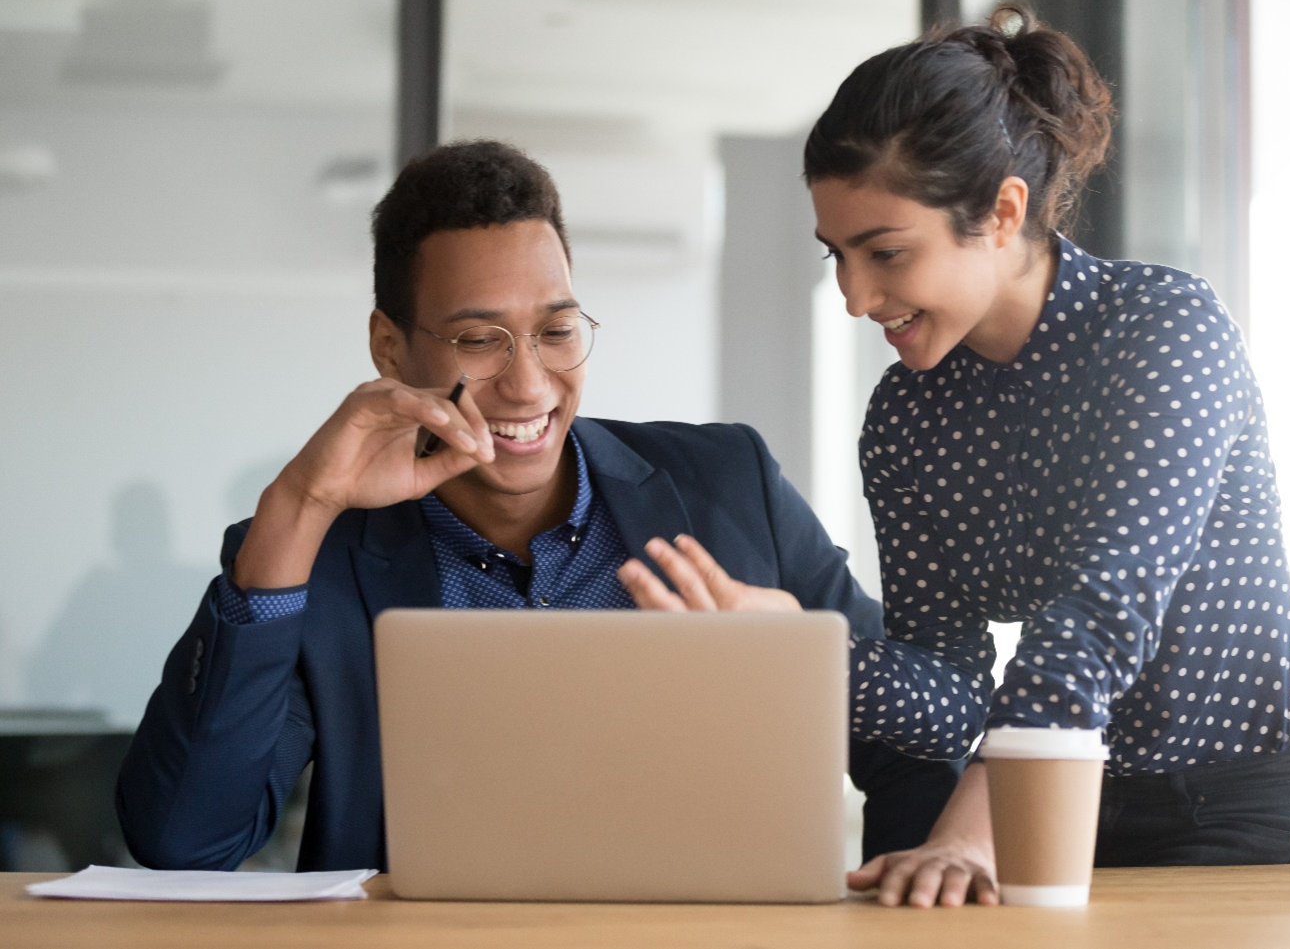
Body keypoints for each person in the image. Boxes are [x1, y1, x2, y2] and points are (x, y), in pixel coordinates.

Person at [115, 140, 960, 872]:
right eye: (480, 339)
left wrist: (897, 888)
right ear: (388, 345)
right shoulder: (317, 551)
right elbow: (187, 841)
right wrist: (298, 503)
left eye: (556, 330)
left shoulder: (728, 484)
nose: (527, 383)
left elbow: (921, 740)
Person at [799, 7, 1290, 907]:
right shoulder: (906, 418)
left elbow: (1102, 606)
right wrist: (806, 654)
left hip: (1239, 783)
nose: (856, 297)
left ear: (1003, 210)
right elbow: (946, 685)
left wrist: (978, 821)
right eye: (838, 256)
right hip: (1056, 789)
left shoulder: (1162, 331)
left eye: (885, 252)